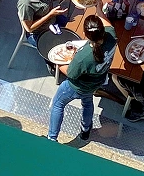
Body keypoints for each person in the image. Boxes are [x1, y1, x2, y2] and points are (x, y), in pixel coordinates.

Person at [48, 14, 116, 142]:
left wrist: (56, 61)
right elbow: (108, 24)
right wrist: (99, 9)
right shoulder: (112, 37)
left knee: (58, 105)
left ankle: (52, 138)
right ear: (102, 30)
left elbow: (70, 73)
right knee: (87, 103)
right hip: (95, 84)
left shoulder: (83, 57)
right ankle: (85, 131)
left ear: (85, 34)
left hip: (75, 87)